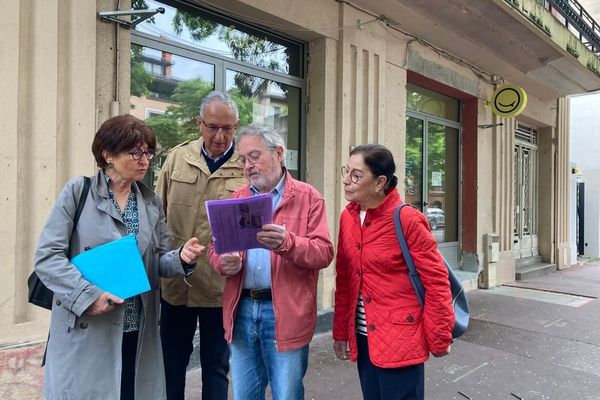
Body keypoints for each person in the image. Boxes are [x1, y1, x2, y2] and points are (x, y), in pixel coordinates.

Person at [33, 115, 205, 400]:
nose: (144, 159)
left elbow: (158, 258)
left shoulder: (150, 202)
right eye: (136, 152)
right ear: (108, 154)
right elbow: (48, 257)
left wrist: (182, 258)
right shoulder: (78, 192)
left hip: (138, 328)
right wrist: (89, 297)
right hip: (89, 326)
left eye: (148, 152)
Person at [209, 124, 334, 400]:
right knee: (244, 395)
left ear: (278, 153)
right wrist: (222, 262)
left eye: (254, 156)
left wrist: (287, 243)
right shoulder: (237, 198)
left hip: (285, 314)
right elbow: (215, 249)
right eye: (242, 160)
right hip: (241, 310)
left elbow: (324, 252)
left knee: (286, 394)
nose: (247, 166)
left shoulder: (308, 197)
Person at [332, 144, 454, 400]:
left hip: (401, 337)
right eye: (347, 171)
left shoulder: (407, 219)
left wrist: (439, 337)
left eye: (356, 174)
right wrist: (341, 332)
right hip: (364, 337)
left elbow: (437, 282)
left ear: (379, 182)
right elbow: (345, 280)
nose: (346, 180)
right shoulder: (348, 218)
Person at [155, 91, 246, 400]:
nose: (220, 136)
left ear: (236, 126)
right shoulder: (177, 158)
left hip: (220, 287)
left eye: (228, 128)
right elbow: (158, 215)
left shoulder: (245, 167)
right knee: (171, 365)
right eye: (212, 127)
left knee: (217, 368)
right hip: (176, 283)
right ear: (199, 124)